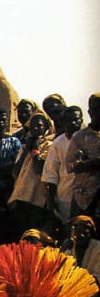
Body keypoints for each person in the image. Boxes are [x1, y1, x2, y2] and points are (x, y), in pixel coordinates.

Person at [42, 105, 83, 235]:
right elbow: (51, 174)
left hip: (85, 197)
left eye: (76, 120)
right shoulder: (58, 143)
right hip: (64, 197)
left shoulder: (89, 139)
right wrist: (51, 203)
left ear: (81, 120)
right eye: (69, 120)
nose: (73, 123)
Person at [65, 92, 100, 223]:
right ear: (89, 112)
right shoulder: (80, 137)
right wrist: (94, 163)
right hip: (84, 197)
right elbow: (71, 165)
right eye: (96, 109)